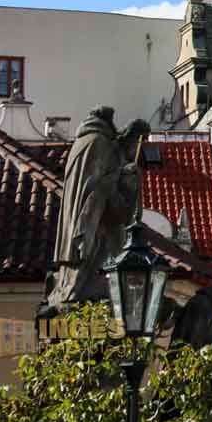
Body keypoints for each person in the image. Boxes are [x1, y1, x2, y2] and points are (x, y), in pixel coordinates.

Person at [46, 108, 148, 307]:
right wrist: (125, 180)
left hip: (84, 216)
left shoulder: (84, 142)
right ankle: (79, 289)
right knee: (92, 269)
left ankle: (73, 288)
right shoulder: (100, 144)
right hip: (96, 221)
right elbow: (101, 188)